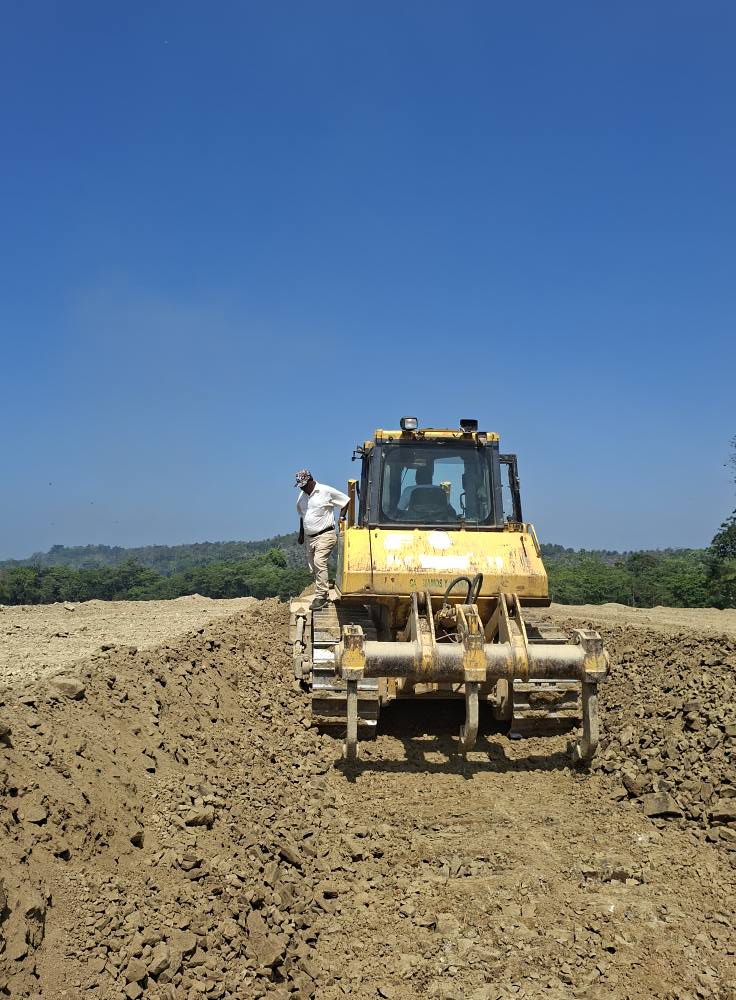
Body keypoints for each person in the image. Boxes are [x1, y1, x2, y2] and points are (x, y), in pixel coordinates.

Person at [294, 469, 350, 611]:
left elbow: (345, 501)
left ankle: (322, 596)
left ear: (310, 481)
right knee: (313, 566)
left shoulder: (325, 491)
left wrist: (341, 517)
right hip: (310, 538)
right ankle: (323, 589)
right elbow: (302, 516)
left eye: (304, 485)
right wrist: (301, 534)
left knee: (319, 562)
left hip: (326, 534)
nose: (302, 488)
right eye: (300, 486)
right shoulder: (301, 497)